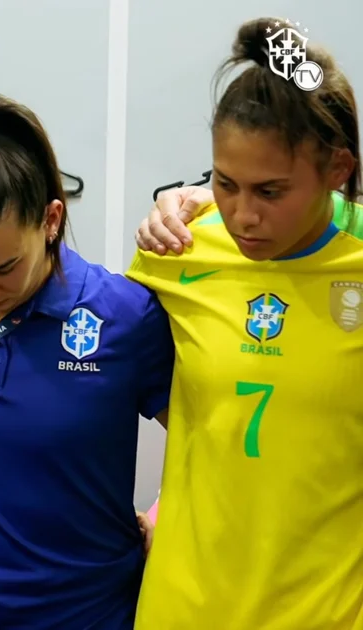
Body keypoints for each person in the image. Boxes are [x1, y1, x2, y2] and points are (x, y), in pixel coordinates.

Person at [0, 91, 173, 629]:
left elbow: (212, 438)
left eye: (3, 269)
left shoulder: (124, 314)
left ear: (51, 220)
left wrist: (165, 510)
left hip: (83, 614)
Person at [125, 17, 363, 628]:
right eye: (225, 184)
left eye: (270, 191)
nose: (243, 215)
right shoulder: (180, 248)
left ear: (337, 169)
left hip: (326, 610)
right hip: (183, 604)